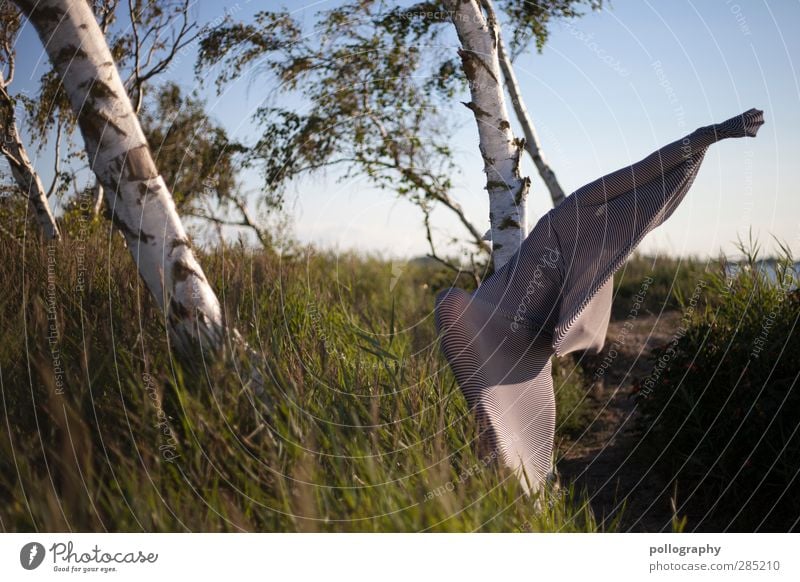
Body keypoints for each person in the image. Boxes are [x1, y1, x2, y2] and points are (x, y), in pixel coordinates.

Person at [434, 108, 765, 497]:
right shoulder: (577, 210)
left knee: (522, 457)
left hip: (528, 351)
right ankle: (501, 501)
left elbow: (653, 195)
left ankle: (523, 509)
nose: (640, 216)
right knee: (490, 419)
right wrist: (711, 133)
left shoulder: (606, 258)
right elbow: (644, 169)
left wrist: (714, 137)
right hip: (486, 318)